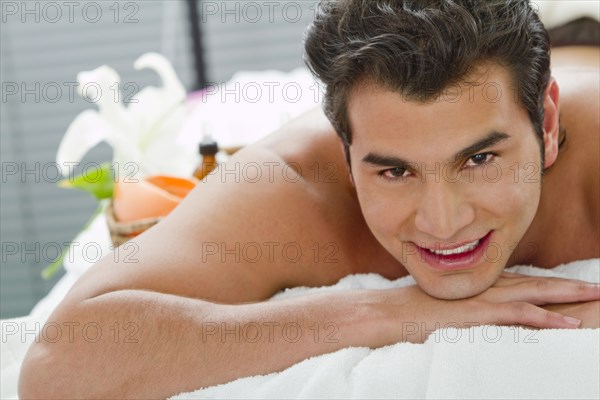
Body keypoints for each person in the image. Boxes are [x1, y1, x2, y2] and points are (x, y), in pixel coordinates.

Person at [19, 1, 599, 398]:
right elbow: (55, 365)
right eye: (395, 172)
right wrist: (384, 311)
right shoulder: (296, 183)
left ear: (546, 125)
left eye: (480, 159)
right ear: (345, 154)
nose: (443, 222)